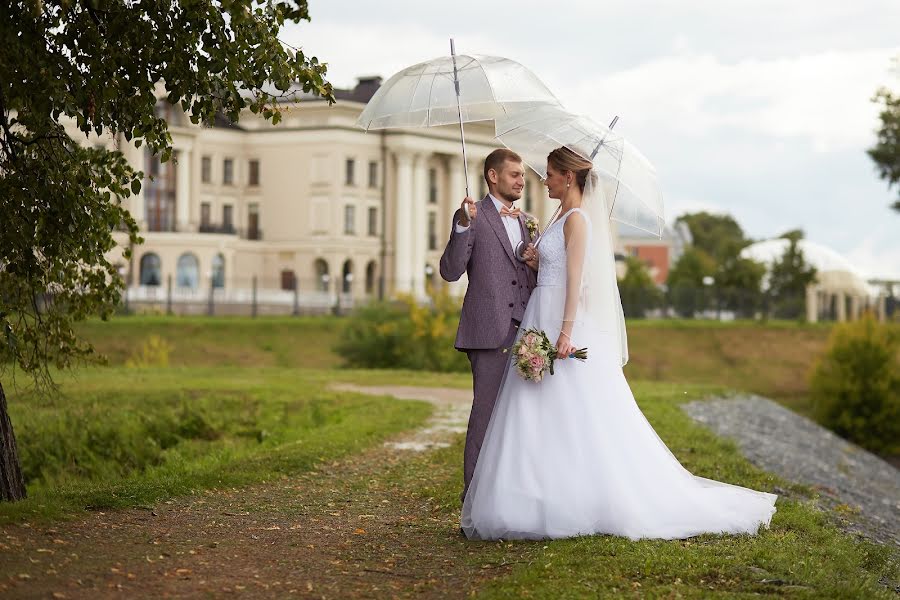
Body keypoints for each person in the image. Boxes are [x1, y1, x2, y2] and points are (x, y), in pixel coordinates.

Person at [461, 147, 777, 540]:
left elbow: (577, 280)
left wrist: (565, 332)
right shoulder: (557, 215)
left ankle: (578, 495)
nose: (544, 180)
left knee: (572, 408)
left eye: (551, 174)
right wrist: (535, 260)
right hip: (537, 312)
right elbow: (553, 264)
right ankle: (536, 493)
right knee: (536, 408)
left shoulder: (577, 220)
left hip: (558, 318)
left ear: (569, 177)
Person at [440, 148, 539, 502]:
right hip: (488, 332)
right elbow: (450, 271)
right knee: (485, 418)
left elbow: (537, 280)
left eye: (523, 176)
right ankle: (475, 504)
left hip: (528, 333)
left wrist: (536, 264)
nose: (520, 181)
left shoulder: (529, 222)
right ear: (493, 176)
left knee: (523, 421)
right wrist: (462, 225)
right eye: (514, 175)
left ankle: (514, 500)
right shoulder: (472, 216)